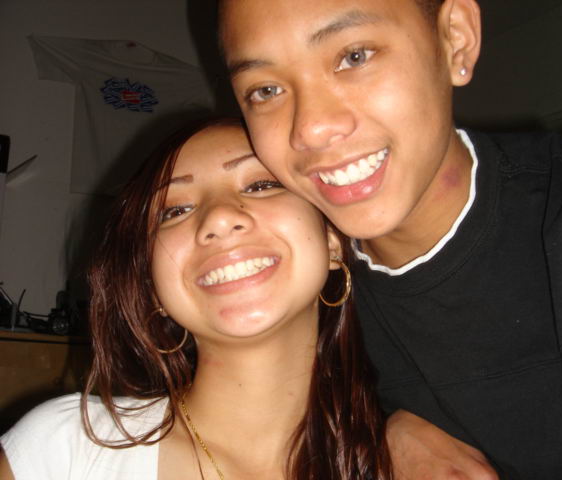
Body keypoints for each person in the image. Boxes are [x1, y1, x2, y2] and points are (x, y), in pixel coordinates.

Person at [218, 0, 562, 478]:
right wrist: (379, 435)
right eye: (266, 90)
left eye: (354, 56)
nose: (312, 128)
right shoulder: (293, 281)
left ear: (455, 38)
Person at [0, 118, 393, 479]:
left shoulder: (413, 459)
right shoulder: (65, 452)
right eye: (175, 210)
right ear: (151, 285)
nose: (218, 218)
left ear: (333, 242)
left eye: (260, 185)